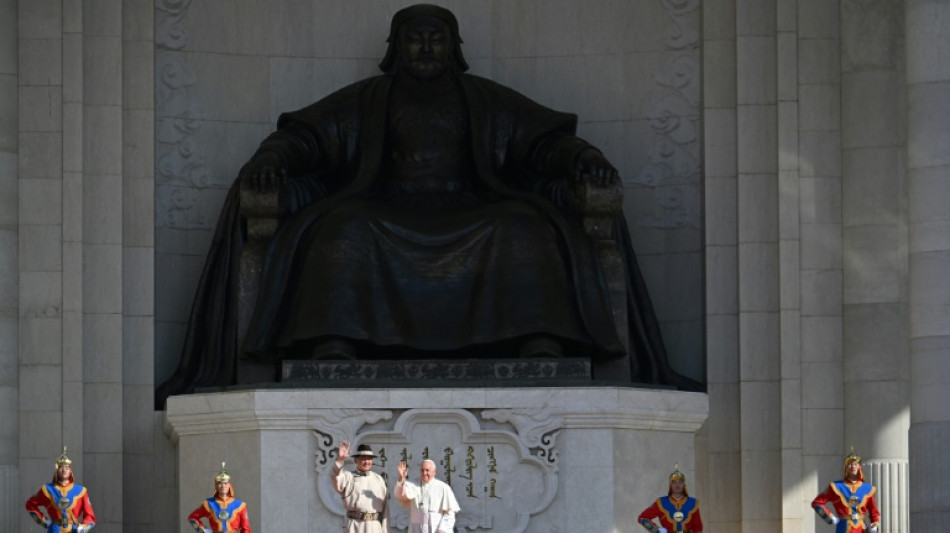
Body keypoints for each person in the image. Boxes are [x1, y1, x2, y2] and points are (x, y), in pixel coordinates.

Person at [156, 3, 700, 408]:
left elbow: (542, 144)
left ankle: (539, 341)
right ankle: (336, 343)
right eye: (414, 39)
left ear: (454, 47)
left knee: (525, 226)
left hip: (473, 206)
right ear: (395, 47)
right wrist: (272, 158)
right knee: (343, 228)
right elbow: (306, 139)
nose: (425, 49)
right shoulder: (367, 100)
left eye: (435, 39)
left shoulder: (484, 98)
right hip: (383, 205)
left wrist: (582, 157)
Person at [25, 447, 97, 532]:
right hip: (55, 529)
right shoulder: (47, 489)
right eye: (61, 468)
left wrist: (83, 527)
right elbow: (30, 504)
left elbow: (90, 516)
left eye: (67, 468)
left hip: (73, 530)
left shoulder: (81, 491)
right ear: (57, 470)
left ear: (71, 471)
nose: (64, 470)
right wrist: (45, 522)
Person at [812, 447, 880, 533]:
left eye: (855, 464)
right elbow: (817, 502)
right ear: (846, 468)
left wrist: (874, 524)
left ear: (859, 467)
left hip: (861, 528)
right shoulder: (836, 486)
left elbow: (873, 510)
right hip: (844, 528)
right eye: (850, 464)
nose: (853, 466)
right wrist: (829, 517)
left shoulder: (867, 488)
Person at [332, 441, 390, 533]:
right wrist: (340, 460)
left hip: (374, 526)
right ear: (356, 460)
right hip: (354, 526)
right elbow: (336, 478)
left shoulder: (378, 479)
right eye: (363, 458)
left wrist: (385, 530)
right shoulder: (348, 476)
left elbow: (385, 508)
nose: (367, 462)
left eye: (369, 458)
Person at [394, 458, 460, 533]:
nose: (424, 473)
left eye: (427, 470)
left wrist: (443, 529)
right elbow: (399, 495)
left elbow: (450, 513)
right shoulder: (413, 484)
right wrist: (401, 478)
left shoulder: (443, 487)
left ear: (434, 472)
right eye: (422, 470)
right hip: (416, 529)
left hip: (435, 528)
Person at [187, 462, 253, 533]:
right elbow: (192, 517)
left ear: (229, 485)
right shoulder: (209, 504)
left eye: (225, 483)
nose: (223, 486)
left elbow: (246, 529)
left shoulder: (240, 505)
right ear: (216, 486)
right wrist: (203, 531)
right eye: (220, 483)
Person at [637, 463, 703, 533]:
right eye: (674, 482)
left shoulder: (692, 503)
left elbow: (698, 527)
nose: (677, 485)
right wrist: (658, 531)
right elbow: (643, 518)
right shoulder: (661, 502)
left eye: (680, 482)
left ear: (684, 485)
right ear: (670, 485)